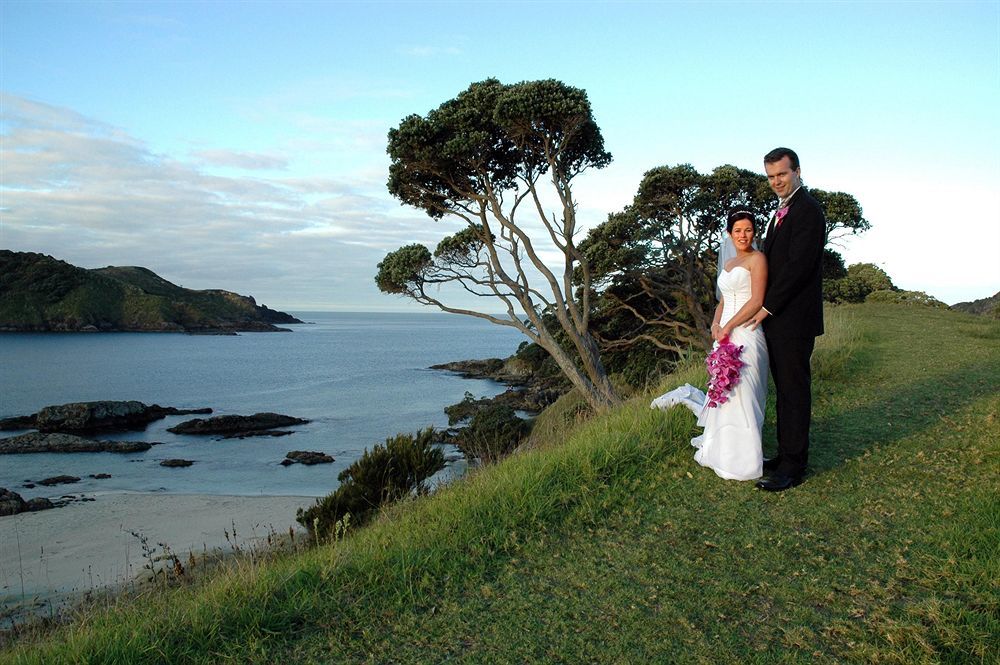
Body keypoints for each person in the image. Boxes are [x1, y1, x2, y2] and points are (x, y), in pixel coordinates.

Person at [745, 147, 826, 491]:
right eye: (771, 176)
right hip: (779, 321)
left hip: (793, 319)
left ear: (797, 171)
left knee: (794, 390)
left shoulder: (808, 210)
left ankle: (794, 466)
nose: (776, 181)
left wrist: (766, 307)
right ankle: (784, 453)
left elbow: (797, 269)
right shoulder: (782, 210)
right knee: (784, 390)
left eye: (782, 174)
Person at [688, 210, 769, 480]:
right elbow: (723, 300)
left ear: (754, 232)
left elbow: (756, 300)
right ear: (729, 234)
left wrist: (730, 326)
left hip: (746, 332)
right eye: (737, 230)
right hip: (724, 333)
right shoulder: (729, 262)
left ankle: (745, 460)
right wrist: (715, 325)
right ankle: (722, 452)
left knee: (744, 395)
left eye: (748, 230)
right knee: (725, 394)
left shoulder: (757, 259)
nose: (743, 235)